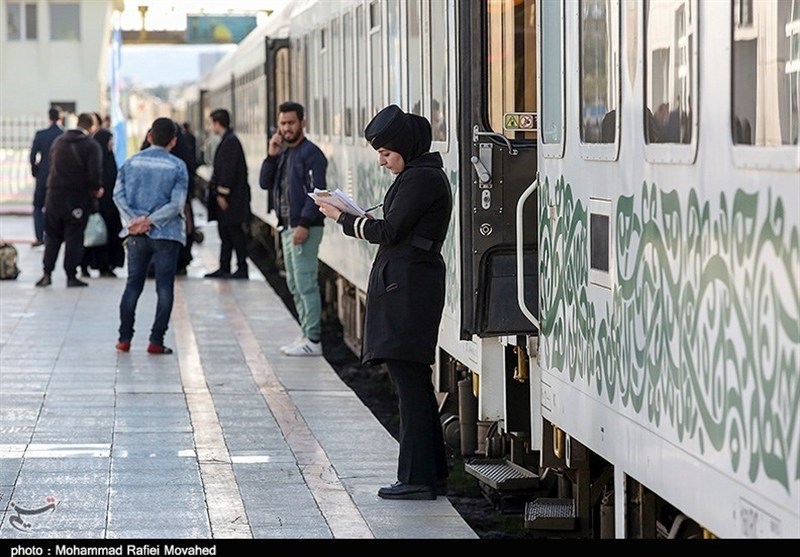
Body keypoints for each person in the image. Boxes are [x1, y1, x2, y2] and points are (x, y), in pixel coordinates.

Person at [315, 104, 452, 499]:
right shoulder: (419, 176)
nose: (382, 162)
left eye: (387, 154)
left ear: (406, 148)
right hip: (409, 287)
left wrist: (341, 217)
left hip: (408, 292)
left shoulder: (420, 180)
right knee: (414, 386)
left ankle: (416, 479)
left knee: (410, 388)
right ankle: (430, 474)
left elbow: (389, 230)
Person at [113, 117, 188, 355]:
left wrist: (135, 220)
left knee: (132, 285)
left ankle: (124, 339)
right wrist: (152, 221)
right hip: (167, 235)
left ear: (149, 137)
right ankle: (156, 341)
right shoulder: (177, 166)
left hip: (136, 235)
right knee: (164, 288)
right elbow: (177, 204)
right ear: (173, 141)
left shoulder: (130, 163)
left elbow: (118, 195)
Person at [259, 101, 328, 357]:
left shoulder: (312, 154)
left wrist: (304, 224)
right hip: (287, 226)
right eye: (283, 124)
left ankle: (313, 338)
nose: (287, 128)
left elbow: (317, 192)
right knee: (294, 284)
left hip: (304, 228)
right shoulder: (284, 153)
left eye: (291, 123)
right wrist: (271, 154)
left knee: (306, 282)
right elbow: (265, 182)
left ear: (303, 123)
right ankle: (305, 333)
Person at [35, 112, 103, 288]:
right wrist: (96, 190)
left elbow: (50, 164)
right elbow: (95, 173)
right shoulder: (91, 145)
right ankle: (71, 275)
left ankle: (47, 273)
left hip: (54, 195)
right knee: (74, 237)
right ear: (92, 127)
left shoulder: (59, 141)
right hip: (77, 198)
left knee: (52, 236)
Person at [204, 108, 251, 279]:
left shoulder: (230, 142)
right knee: (226, 233)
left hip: (232, 200)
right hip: (232, 198)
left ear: (217, 123)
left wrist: (222, 194)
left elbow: (228, 171)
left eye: (212, 123)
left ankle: (240, 267)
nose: (211, 127)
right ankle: (225, 267)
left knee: (234, 233)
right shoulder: (228, 140)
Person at [80, 128, 124, 277]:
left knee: (108, 235)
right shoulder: (94, 159)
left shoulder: (109, 158)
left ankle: (106, 265)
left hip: (109, 205)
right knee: (92, 235)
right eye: (110, 140)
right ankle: (85, 265)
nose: (112, 144)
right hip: (95, 205)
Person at [29, 108, 64, 247]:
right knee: (59, 207)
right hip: (60, 176)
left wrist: (35, 171)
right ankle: (56, 235)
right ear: (61, 118)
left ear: (49, 117)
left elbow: (32, 156)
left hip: (43, 176)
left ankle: (39, 236)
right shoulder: (64, 135)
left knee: (38, 206)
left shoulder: (41, 134)